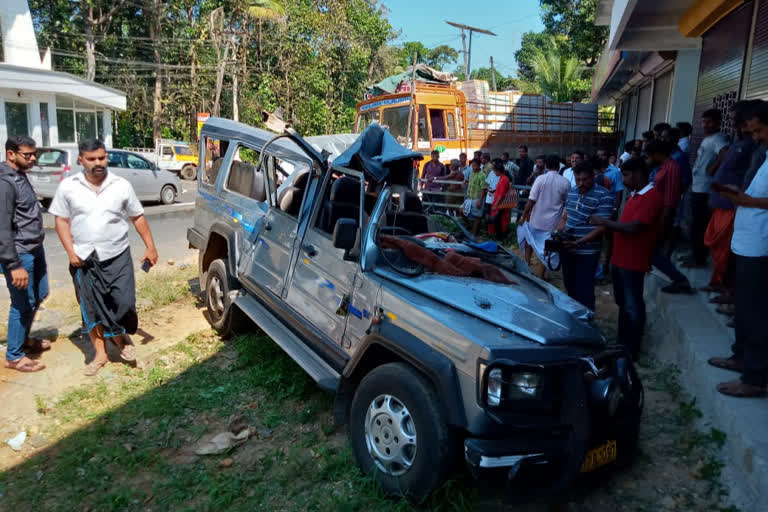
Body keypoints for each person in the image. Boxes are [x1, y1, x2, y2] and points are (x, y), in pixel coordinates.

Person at [49, 138, 159, 376]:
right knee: (90, 308)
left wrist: (150, 246)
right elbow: (60, 220)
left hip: (117, 255)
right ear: (81, 160)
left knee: (123, 304)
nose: (98, 163)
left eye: (102, 157)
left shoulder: (121, 185)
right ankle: (101, 353)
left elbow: (137, 216)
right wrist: (70, 252)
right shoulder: (68, 187)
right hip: (83, 258)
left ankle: (120, 337)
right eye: (92, 159)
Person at [708, 103, 768, 398]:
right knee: (744, 309)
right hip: (747, 241)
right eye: (752, 131)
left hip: (761, 246)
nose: (755, 136)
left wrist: (747, 200)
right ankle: (741, 357)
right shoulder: (765, 153)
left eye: (759, 130)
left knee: (757, 314)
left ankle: (755, 378)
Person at [589, 157, 664, 360]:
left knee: (633, 305)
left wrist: (604, 222)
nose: (622, 179)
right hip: (620, 259)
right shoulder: (634, 195)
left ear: (639, 174)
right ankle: (622, 343)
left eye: (626, 174)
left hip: (633, 260)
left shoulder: (652, 196)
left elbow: (634, 228)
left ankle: (631, 350)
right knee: (623, 303)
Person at [0, 136, 49, 373]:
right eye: (27, 155)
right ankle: (14, 356)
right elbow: (2, 227)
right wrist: (13, 264)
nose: (33, 158)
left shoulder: (19, 175)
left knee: (41, 292)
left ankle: (23, 339)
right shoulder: (5, 182)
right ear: (11, 154)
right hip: (20, 254)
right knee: (22, 303)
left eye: (34, 154)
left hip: (34, 248)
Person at [703, 101, 759, 298]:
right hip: (722, 203)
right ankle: (718, 283)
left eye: (735, 117)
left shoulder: (754, 147)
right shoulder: (739, 143)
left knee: (726, 250)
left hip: (734, 206)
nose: (731, 121)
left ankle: (728, 290)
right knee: (717, 246)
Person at [556, 162, 615, 311]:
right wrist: (557, 236)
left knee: (585, 290)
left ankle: (587, 322)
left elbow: (602, 227)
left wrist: (579, 242)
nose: (581, 183)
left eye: (585, 179)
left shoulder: (604, 195)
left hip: (587, 253)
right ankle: (574, 319)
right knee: (570, 286)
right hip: (567, 249)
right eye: (578, 179)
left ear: (593, 177)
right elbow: (565, 217)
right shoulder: (573, 192)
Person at [645, 140, 693, 294]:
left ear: (657, 154)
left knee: (653, 252)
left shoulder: (672, 168)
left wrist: (662, 223)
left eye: (650, 156)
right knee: (653, 252)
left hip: (664, 216)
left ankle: (680, 280)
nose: (648, 159)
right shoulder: (663, 167)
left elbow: (671, 199)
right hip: (658, 214)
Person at [685, 109, 729, 268]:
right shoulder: (708, 139)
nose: (705, 125)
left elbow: (726, 153)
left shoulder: (719, 138)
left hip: (705, 189)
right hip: (698, 187)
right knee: (695, 224)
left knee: (700, 226)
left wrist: (713, 168)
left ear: (718, 123)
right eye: (703, 121)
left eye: (709, 121)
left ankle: (699, 258)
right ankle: (695, 254)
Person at [518, 154, 570, 277]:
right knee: (547, 248)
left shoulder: (540, 179)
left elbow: (531, 201)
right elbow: (566, 203)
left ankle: (527, 264)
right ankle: (541, 274)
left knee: (529, 240)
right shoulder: (566, 182)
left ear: (546, 166)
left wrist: (523, 216)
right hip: (553, 223)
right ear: (558, 167)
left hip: (536, 219)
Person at [486, 161, 511, 239]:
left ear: (497, 170)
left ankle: (501, 237)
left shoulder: (504, 179)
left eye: (494, 171)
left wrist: (496, 205)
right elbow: (500, 191)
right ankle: (500, 236)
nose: (494, 172)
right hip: (499, 203)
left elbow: (502, 194)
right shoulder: (503, 178)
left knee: (500, 221)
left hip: (500, 204)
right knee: (498, 221)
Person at [466, 158, 486, 236]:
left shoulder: (482, 175)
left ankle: (474, 233)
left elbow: (483, 189)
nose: (473, 167)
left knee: (477, 216)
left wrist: (480, 201)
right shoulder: (472, 173)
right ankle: (469, 227)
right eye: (472, 166)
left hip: (477, 198)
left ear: (479, 166)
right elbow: (470, 182)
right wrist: (465, 181)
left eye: (475, 166)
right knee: (462, 211)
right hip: (470, 198)